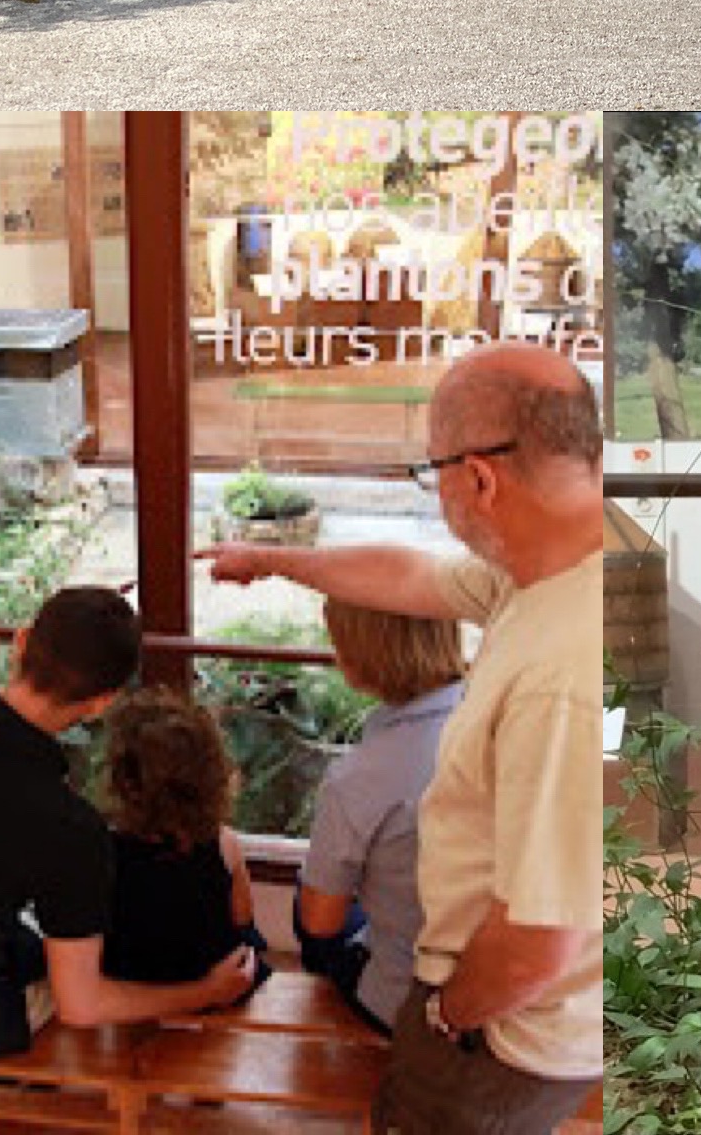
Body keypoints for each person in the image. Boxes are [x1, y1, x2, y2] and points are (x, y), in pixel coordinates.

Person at [204, 342, 603, 1135]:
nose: (441, 499)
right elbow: (412, 579)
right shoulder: (550, 572)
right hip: (516, 1022)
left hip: (501, 1040)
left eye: (434, 475)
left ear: (479, 478)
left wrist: (449, 1015)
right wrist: (272, 560)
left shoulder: (566, 672)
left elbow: (538, 941)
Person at [0, 586, 259, 1058]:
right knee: (73, 963)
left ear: (21, 642)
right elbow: (81, 1005)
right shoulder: (69, 827)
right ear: (103, 702)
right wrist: (206, 992)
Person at [294, 599, 467, 1034]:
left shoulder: (360, 777)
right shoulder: (505, 716)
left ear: (356, 659)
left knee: (312, 913)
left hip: (408, 1000)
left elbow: (320, 922)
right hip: (512, 990)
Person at [99, 685, 268, 989]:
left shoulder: (104, 850)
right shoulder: (224, 842)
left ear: (124, 781)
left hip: (131, 981)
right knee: (248, 942)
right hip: (213, 978)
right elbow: (243, 920)